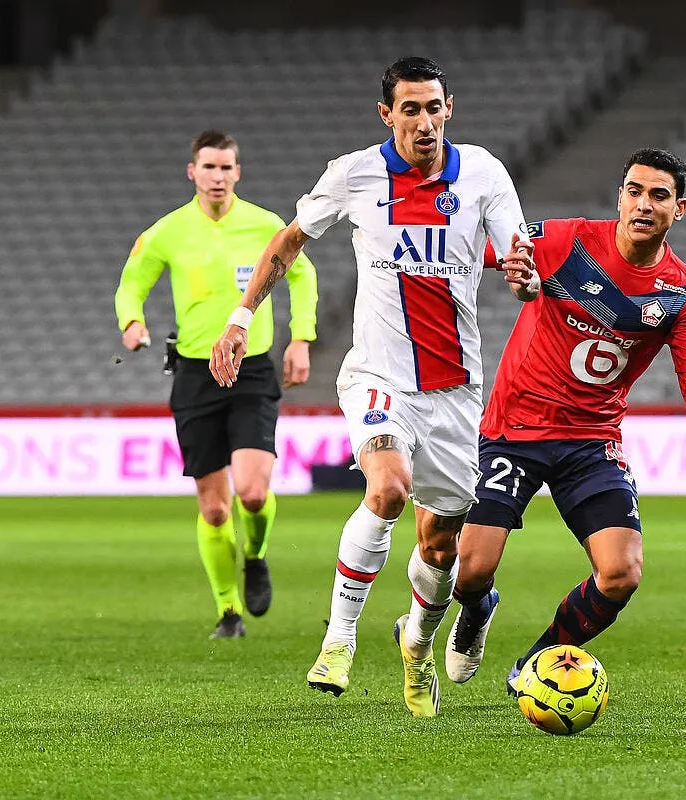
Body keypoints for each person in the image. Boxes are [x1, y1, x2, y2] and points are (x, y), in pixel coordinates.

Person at [209, 57, 538, 716]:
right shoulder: (355, 173)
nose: (424, 121)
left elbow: (515, 253)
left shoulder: (482, 174)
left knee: (439, 544)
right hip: (378, 375)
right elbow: (289, 241)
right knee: (386, 489)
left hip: (455, 389)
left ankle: (417, 644)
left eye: (433, 107)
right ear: (386, 114)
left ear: (451, 109)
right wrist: (241, 317)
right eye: (410, 109)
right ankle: (339, 640)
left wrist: (522, 272)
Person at [443, 148, 686, 693]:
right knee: (471, 569)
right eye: (634, 190)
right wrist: (504, 261)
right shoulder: (569, 241)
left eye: (658, 195)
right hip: (516, 429)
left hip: (592, 440)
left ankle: (539, 662)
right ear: (620, 196)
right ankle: (479, 605)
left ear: (680, 209)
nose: (643, 204)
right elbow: (484, 249)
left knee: (621, 572)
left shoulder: (682, 292)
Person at [115, 130, 318, 640]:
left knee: (250, 494)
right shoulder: (167, 231)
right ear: (193, 172)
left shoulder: (265, 224)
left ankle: (256, 554)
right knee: (214, 506)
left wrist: (301, 338)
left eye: (227, 168)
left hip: (251, 369)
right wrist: (131, 322)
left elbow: (302, 275)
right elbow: (132, 281)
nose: (218, 177)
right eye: (209, 167)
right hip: (194, 373)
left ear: (238, 173)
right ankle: (229, 612)